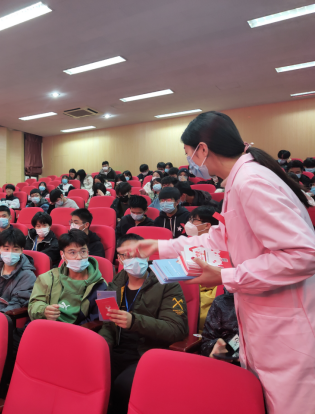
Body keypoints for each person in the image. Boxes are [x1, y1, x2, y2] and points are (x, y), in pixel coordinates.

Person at [131, 111, 315, 414]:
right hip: (264, 320)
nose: (189, 162)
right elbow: (218, 239)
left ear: (203, 149)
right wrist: (161, 246)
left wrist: (227, 276)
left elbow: (303, 254)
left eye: (188, 153)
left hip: (285, 327)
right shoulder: (239, 181)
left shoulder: (252, 181)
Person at [98, 233, 188, 414]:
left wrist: (134, 321)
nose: (134, 259)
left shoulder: (168, 283)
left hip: (147, 353)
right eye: (127, 255)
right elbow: (107, 322)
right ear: (119, 259)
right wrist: (101, 348)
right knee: (89, 373)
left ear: (147, 255)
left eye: (138, 253)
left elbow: (176, 329)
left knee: (122, 386)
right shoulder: (115, 282)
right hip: (117, 349)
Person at [28, 230, 108, 324]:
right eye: (72, 252)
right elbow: (33, 304)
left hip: (78, 330)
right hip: (48, 326)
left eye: (83, 251)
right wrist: (43, 310)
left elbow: (104, 320)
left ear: (88, 252)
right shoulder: (48, 278)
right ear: (62, 255)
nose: (79, 257)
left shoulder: (102, 286)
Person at [200, 288, 239, 362]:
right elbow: (206, 343)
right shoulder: (221, 302)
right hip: (228, 363)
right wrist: (215, 347)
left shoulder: (261, 305)